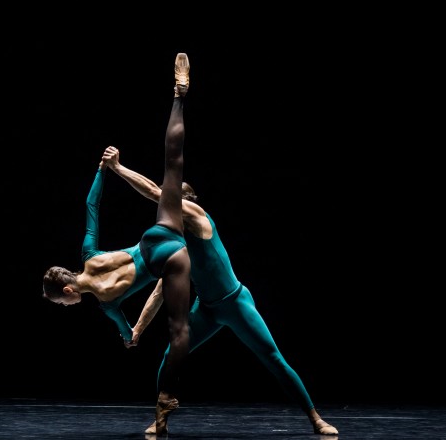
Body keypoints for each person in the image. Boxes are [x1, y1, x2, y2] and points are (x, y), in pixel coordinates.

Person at [102, 148, 339, 436]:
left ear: (186, 203)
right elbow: (160, 291)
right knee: (171, 355)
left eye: (171, 201)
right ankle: (160, 421)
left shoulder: (199, 216)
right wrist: (138, 329)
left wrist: (118, 168)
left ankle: (315, 418)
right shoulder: (176, 244)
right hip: (207, 309)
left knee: (273, 358)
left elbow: (154, 192)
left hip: (235, 302)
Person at [42, 53, 192, 435]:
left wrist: (132, 337)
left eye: (62, 303)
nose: (66, 307)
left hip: (165, 260)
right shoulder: (89, 254)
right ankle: (179, 97)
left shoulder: (107, 306)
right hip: (152, 239)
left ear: (68, 290)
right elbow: (91, 205)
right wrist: (102, 169)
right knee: (169, 175)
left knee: (178, 323)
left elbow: (128, 330)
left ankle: (164, 407)